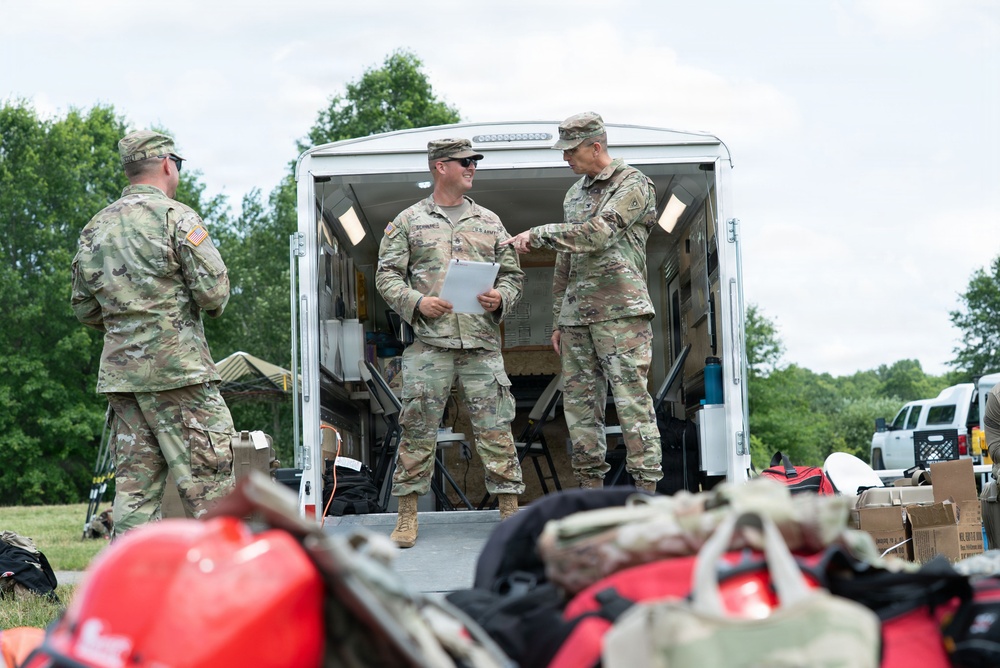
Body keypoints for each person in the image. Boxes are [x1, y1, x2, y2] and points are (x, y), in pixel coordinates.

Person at [71, 130, 235, 537]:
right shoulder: (177, 218)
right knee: (212, 488)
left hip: (124, 382)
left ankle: (129, 595)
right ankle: (226, 591)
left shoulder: (95, 228)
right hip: (181, 377)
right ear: (167, 164)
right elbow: (214, 295)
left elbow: (83, 307)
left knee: (134, 496)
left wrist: (128, 322)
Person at [375, 138, 525, 547]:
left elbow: (513, 276)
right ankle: (407, 515)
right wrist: (417, 301)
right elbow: (386, 276)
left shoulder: (491, 222)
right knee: (417, 429)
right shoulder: (408, 221)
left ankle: (509, 512)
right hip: (429, 345)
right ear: (441, 167)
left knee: (497, 430)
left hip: (480, 345)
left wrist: (502, 298)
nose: (472, 167)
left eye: (474, 161)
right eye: (465, 162)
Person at [501, 112, 662, 492]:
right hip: (577, 319)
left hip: (621, 313)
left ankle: (647, 495)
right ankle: (591, 493)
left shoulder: (633, 184)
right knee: (579, 408)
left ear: (596, 146)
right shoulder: (574, 194)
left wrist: (537, 234)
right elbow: (567, 259)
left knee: (631, 404)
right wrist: (558, 318)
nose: (565, 159)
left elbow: (597, 234)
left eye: (571, 151)